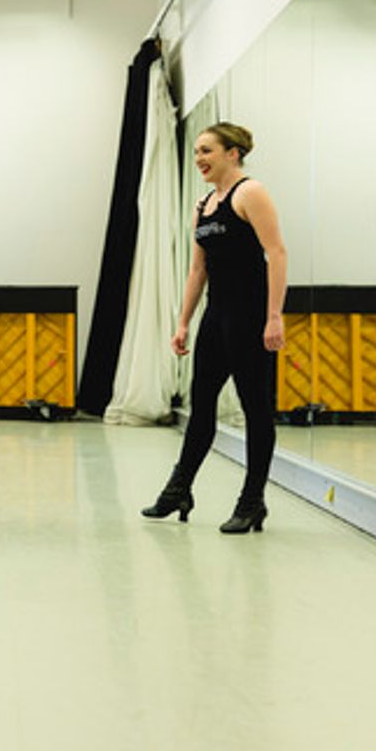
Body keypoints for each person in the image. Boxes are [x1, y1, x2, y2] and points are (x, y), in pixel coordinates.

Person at [142, 122, 287, 534]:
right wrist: (184, 322)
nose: (199, 159)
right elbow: (197, 269)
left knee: (255, 408)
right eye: (196, 152)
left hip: (251, 318)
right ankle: (178, 490)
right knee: (201, 404)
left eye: (206, 150)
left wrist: (274, 316)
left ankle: (252, 500)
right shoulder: (204, 204)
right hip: (216, 317)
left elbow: (276, 253)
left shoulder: (251, 193)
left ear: (232, 153)